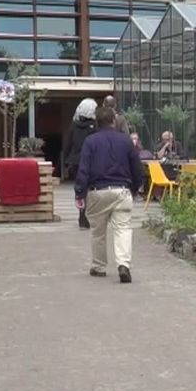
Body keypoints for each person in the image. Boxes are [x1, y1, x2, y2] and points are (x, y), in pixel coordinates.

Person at [75, 106, 144, 283]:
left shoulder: (90, 142)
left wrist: (80, 193)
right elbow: (137, 167)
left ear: (96, 122)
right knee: (123, 229)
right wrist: (136, 188)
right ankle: (123, 264)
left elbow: (83, 169)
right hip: (122, 191)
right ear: (114, 121)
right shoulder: (126, 141)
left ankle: (99, 266)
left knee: (98, 232)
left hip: (97, 192)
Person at [64, 98, 98, 229]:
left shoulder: (73, 125)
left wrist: (66, 161)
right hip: (92, 162)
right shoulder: (95, 127)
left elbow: (68, 145)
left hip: (76, 162)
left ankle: (82, 215)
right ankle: (91, 214)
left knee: (80, 190)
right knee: (92, 189)